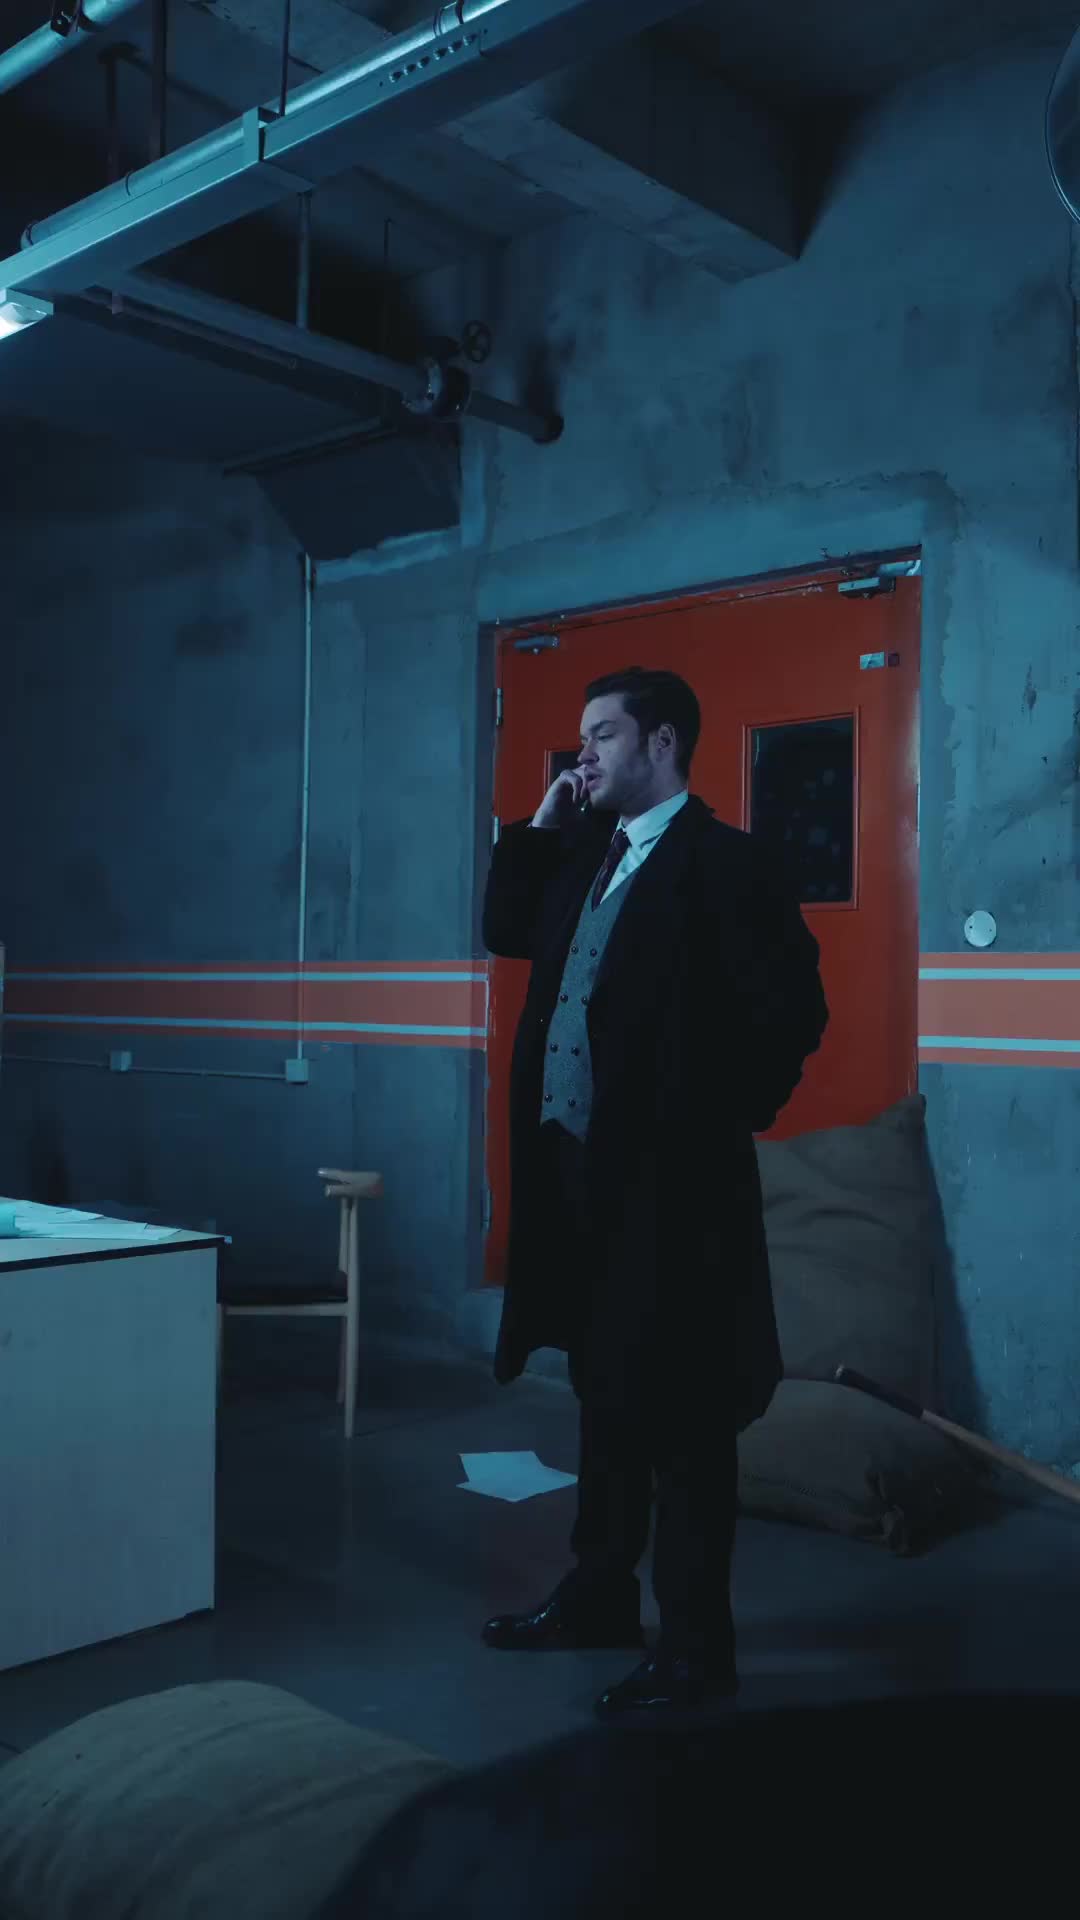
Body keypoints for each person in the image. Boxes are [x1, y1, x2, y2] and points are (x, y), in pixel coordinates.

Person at [479, 666, 828, 1716]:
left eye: (602, 736)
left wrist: (706, 1122)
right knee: (605, 1395)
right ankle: (598, 1595)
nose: (582, 754)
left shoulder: (727, 863)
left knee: (684, 1416)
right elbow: (507, 930)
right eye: (582, 737)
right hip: (578, 1179)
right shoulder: (588, 853)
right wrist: (537, 830)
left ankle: (695, 1648)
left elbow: (793, 1012)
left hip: (673, 1194)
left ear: (662, 743)